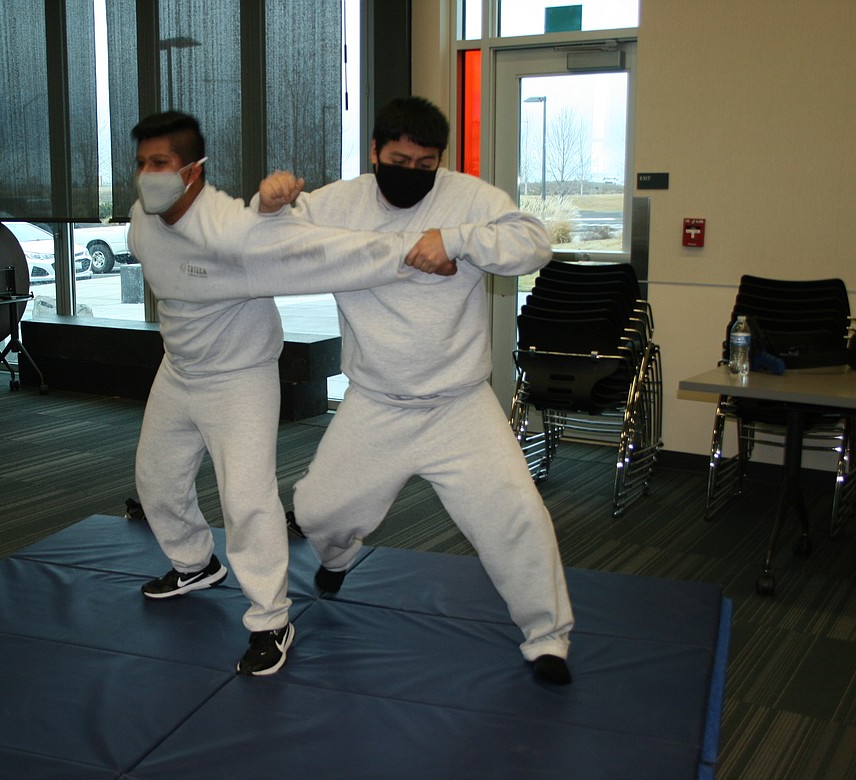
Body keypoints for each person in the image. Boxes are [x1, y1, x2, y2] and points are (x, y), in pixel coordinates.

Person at [258, 96, 576, 685]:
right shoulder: (339, 202)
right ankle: (340, 556)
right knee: (318, 513)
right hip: (375, 403)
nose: (412, 170)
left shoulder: (470, 198)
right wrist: (268, 200)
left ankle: (548, 637)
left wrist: (454, 239)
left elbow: (534, 243)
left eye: (425, 162)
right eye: (398, 158)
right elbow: (263, 238)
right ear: (374, 152)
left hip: (460, 406)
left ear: (440, 161)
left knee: (516, 518)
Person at [127, 111, 454, 677]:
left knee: (248, 502)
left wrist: (410, 250)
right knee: (155, 481)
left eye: (160, 163)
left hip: (239, 378)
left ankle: (272, 619)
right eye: (141, 163)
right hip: (178, 371)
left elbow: (329, 252)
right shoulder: (140, 219)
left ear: (192, 171)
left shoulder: (237, 236)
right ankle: (193, 563)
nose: (147, 174)